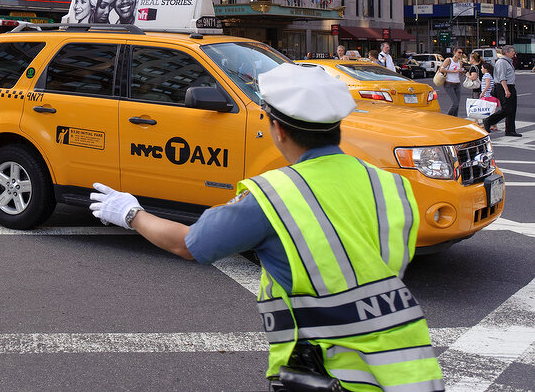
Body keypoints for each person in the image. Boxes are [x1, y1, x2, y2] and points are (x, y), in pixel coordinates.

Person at [89, 63, 443, 391]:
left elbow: (189, 243)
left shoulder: (274, 196)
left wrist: (130, 213)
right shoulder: (389, 185)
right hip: (409, 367)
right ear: (337, 126)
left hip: (334, 374)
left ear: (277, 128)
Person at [484, 45, 521, 137]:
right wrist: (506, 90)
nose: (514, 53)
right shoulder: (502, 62)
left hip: (510, 86)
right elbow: (502, 78)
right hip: (503, 86)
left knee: (512, 109)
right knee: (507, 108)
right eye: (512, 51)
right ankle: (489, 121)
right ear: (506, 52)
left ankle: (510, 130)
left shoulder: (508, 62)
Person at [440, 47, 466, 116]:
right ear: (454, 52)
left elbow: (460, 73)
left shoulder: (460, 62)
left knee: (457, 104)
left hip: (457, 84)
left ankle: (455, 118)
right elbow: (441, 70)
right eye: (459, 52)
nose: (461, 54)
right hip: (449, 84)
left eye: (462, 53)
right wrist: (453, 71)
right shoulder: (449, 60)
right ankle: (448, 117)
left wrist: (462, 72)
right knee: (455, 103)